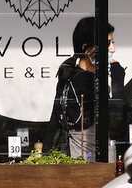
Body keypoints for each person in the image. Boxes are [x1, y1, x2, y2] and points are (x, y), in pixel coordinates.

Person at [53, 17, 124, 161]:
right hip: (90, 158)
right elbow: (116, 121)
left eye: (113, 42)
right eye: (108, 43)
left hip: (84, 154)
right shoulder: (83, 79)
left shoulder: (69, 72)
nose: (112, 48)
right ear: (87, 48)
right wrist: (117, 80)